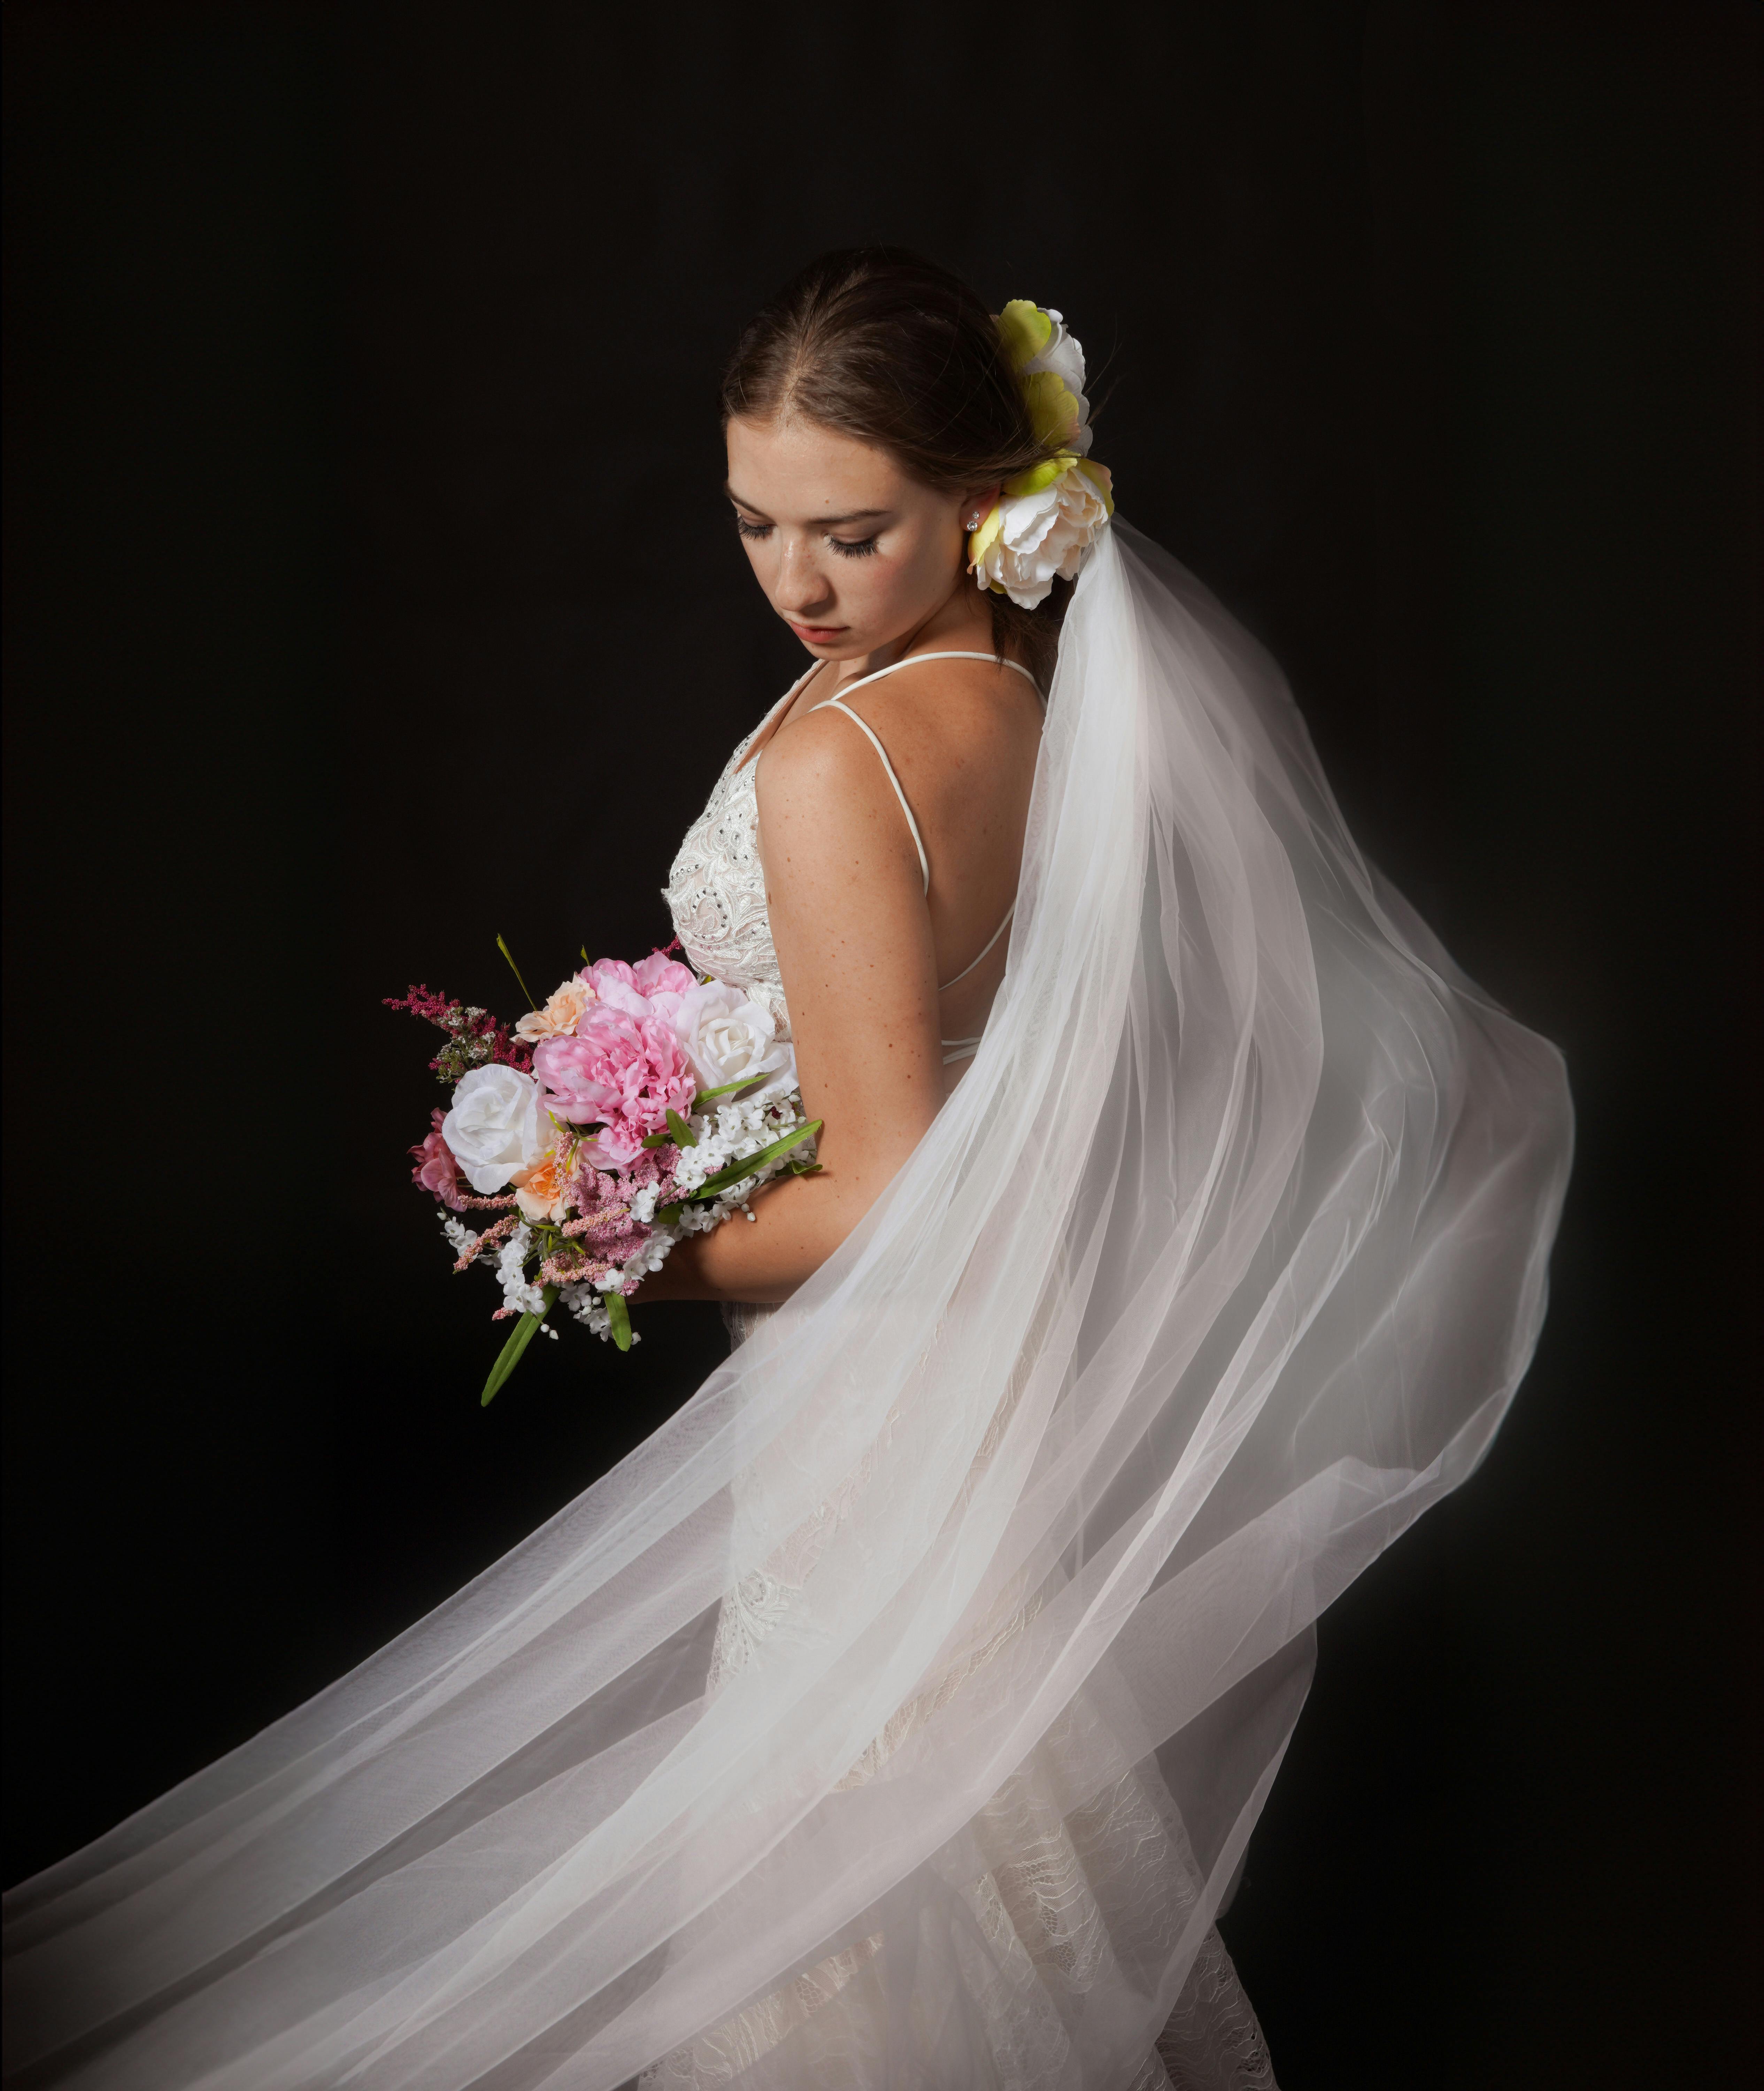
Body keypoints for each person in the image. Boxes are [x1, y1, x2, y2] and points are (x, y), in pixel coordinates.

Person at [1, 250, 1573, 2091]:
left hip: (884, 1388)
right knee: (959, 1828)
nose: (797, 585)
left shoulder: (843, 762)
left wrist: (587, 1245)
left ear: (978, 500)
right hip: (996, 1369)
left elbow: (891, 1188)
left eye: (851, 533)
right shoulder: (1022, 694)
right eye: (755, 525)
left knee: (854, 1877)